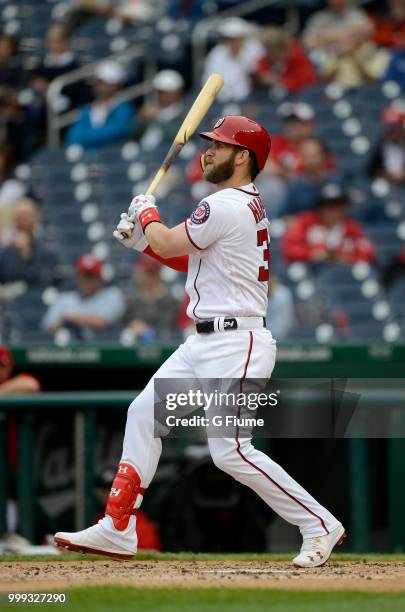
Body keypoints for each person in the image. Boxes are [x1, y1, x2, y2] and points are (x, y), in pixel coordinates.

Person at [55, 115, 345, 568]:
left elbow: (169, 242)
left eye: (219, 145)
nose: (207, 150)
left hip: (236, 343)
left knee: (229, 451)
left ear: (243, 156)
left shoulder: (224, 204)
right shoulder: (239, 204)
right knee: (144, 414)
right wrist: (141, 242)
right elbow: (190, 262)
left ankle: (319, 523)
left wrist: (147, 212)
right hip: (205, 342)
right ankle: (117, 526)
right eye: (208, 142)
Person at [281, 182, 375, 264]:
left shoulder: (352, 228)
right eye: (328, 207)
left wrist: (344, 258)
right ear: (319, 209)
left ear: (345, 209)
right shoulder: (306, 223)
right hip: (312, 275)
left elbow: (367, 253)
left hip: (341, 276)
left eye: (337, 206)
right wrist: (311, 254)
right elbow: (289, 249)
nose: (333, 212)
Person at [42, 253, 125, 337]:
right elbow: (48, 327)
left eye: (91, 276)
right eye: (84, 275)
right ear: (77, 276)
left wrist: (69, 317)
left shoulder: (112, 296)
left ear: (100, 278)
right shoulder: (65, 299)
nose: (86, 281)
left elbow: (101, 322)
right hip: (69, 348)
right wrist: (60, 322)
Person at [65, 61, 134, 151]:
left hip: (112, 159)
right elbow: (73, 136)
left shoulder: (124, 109)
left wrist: (85, 137)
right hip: (85, 159)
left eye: (102, 82)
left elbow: (115, 132)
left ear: (115, 85)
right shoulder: (86, 109)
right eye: (98, 82)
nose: (99, 86)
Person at [202, 17, 264, 102]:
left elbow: (259, 77)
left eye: (235, 38)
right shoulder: (216, 53)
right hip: (220, 100)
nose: (232, 42)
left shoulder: (255, 51)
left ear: (242, 38)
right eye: (229, 39)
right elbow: (208, 81)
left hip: (250, 99)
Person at [122, 254, 182, 342]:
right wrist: (133, 325)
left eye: (152, 273)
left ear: (159, 275)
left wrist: (147, 330)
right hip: (135, 342)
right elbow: (123, 322)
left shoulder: (169, 299)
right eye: (146, 274)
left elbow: (167, 326)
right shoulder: (133, 298)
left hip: (163, 345)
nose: (148, 279)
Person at [0, 197, 59, 286]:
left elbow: (45, 280)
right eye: (18, 217)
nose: (21, 221)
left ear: (36, 217)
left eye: (25, 216)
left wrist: (27, 254)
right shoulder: (6, 251)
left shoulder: (47, 250)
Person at [278, 137, 340, 217]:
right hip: (304, 226)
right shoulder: (295, 186)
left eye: (314, 156)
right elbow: (284, 214)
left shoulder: (336, 182)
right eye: (306, 156)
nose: (310, 160)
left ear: (324, 156)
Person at [253, 27, 318, 95]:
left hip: (300, 94)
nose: (269, 53)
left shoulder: (297, 57)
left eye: (272, 50)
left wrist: (280, 81)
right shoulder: (265, 59)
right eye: (267, 49)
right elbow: (261, 74)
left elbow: (308, 82)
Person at [132, 70, 186, 149]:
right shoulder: (151, 109)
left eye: (162, 92)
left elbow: (177, 136)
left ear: (176, 92)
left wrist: (155, 118)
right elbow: (133, 135)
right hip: (143, 153)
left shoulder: (184, 112)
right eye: (158, 91)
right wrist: (141, 119)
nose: (159, 95)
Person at [368, 104, 405, 185]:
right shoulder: (379, 146)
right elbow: (370, 171)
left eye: (395, 127)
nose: (392, 131)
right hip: (387, 187)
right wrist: (387, 176)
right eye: (389, 127)